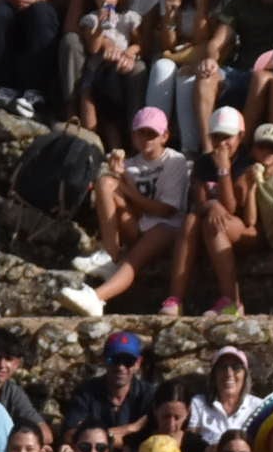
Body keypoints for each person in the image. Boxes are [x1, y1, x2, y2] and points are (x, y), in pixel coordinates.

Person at [61, 108, 189, 319]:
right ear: (133, 136)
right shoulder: (130, 164)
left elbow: (166, 210)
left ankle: (97, 297)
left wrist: (126, 188)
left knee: (136, 257)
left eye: (152, 134)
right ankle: (112, 254)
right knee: (105, 182)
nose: (146, 138)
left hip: (169, 226)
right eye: (141, 133)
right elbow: (132, 204)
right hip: (141, 223)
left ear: (164, 136)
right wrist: (118, 175)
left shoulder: (175, 160)